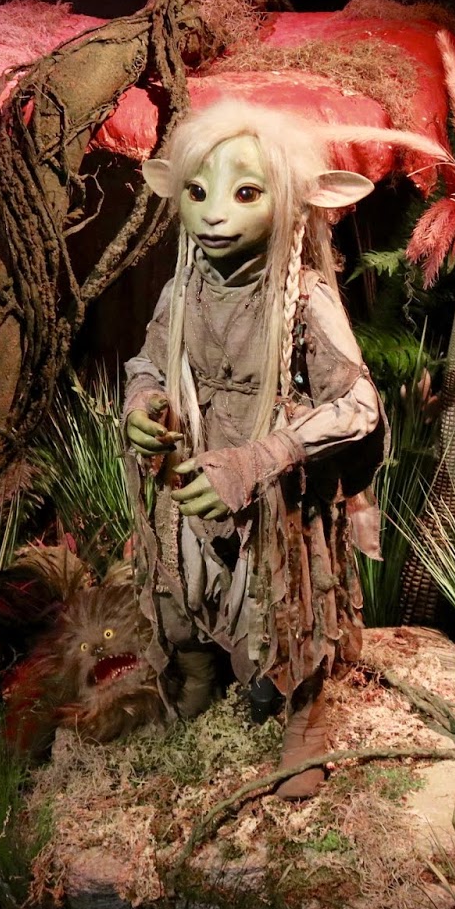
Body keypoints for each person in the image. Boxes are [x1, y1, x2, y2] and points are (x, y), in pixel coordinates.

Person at [123, 99, 384, 798]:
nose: (213, 215)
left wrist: (259, 459)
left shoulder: (303, 300)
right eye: (197, 191)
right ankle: (197, 676)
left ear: (293, 201)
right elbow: (148, 361)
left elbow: (358, 405)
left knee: (285, 601)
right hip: (192, 474)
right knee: (180, 592)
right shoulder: (182, 290)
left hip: (275, 494)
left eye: (245, 193)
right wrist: (142, 404)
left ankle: (305, 716)